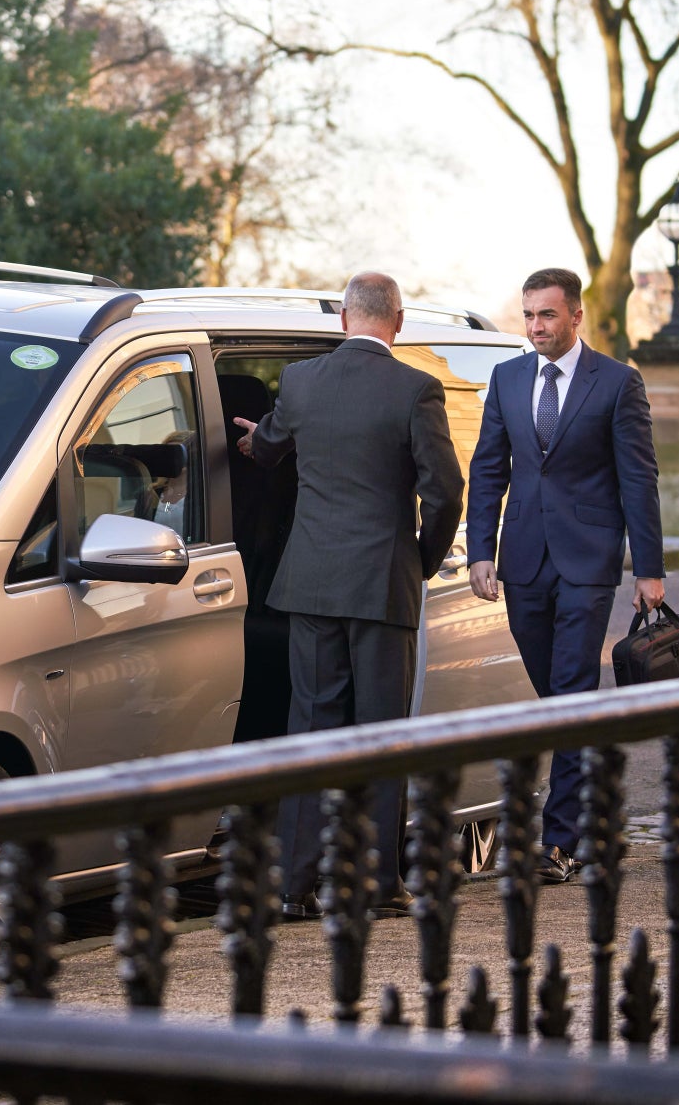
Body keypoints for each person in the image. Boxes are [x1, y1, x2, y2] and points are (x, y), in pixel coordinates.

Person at [232, 271, 464, 918]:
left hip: (311, 583)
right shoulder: (416, 389)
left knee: (311, 728)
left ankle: (293, 884)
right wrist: (420, 560)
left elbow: (270, 444)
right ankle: (380, 882)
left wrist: (253, 440)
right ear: (398, 321)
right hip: (382, 585)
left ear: (343, 318)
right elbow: (446, 493)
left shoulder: (301, 382)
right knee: (383, 733)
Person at [465, 268, 665, 884]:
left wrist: (649, 568)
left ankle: (560, 842)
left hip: (588, 560)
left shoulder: (618, 382)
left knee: (572, 690)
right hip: (523, 558)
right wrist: (480, 551)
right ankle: (598, 810)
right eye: (528, 315)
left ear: (576, 316)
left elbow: (639, 478)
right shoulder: (507, 377)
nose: (535, 326)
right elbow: (488, 468)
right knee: (555, 695)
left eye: (547, 315)